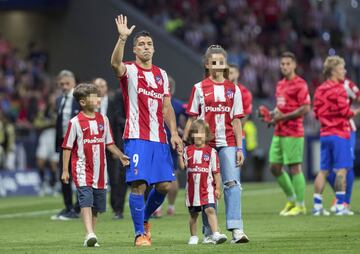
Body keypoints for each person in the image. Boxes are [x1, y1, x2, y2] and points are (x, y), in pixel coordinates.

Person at [110, 15, 182, 246]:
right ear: (134, 50)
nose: (146, 47)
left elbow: (166, 106)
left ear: (154, 48)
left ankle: (145, 219)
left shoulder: (161, 75)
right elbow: (114, 64)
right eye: (141, 44)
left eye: (149, 44)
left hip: (159, 138)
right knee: (139, 184)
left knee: (163, 185)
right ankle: (140, 233)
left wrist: (175, 133)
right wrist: (122, 39)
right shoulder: (130, 70)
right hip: (136, 136)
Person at [183, 45, 248, 244]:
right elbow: (193, 118)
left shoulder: (233, 89)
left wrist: (239, 147)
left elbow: (236, 121)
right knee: (205, 186)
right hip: (205, 144)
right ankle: (209, 232)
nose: (217, 66)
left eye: (221, 62)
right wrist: (185, 141)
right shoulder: (199, 88)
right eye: (214, 62)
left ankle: (237, 229)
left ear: (225, 65)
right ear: (207, 64)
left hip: (228, 142)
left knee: (232, 184)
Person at [61, 83, 130, 247]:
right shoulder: (75, 122)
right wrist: (65, 170)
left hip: (100, 171)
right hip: (82, 168)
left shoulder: (103, 119)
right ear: (83, 102)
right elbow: (67, 147)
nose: (98, 99)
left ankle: (91, 235)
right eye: (94, 96)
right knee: (86, 199)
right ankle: (89, 233)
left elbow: (109, 143)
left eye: (98, 96)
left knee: (97, 206)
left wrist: (120, 155)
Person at [261, 52, 310, 216]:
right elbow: (280, 108)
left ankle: (301, 205)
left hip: (294, 131)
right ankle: (291, 199)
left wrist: (284, 117)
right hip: (279, 130)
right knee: (274, 167)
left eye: (288, 63)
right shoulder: (280, 84)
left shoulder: (300, 84)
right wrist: (271, 116)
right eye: (282, 64)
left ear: (294, 65)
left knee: (295, 167)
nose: (285, 66)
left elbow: (305, 108)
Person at [313, 56, 360, 216]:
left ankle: (317, 206)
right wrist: (356, 111)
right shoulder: (340, 89)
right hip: (340, 134)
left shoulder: (319, 89)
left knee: (323, 170)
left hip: (325, 134)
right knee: (342, 170)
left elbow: (316, 113)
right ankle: (340, 205)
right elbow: (345, 112)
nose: (344, 71)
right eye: (342, 68)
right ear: (333, 71)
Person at [178, 119, 227, 245]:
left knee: (210, 210)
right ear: (192, 135)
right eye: (196, 133)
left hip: (208, 189)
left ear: (206, 135)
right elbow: (182, 167)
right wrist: (179, 155)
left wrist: (217, 188)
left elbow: (216, 172)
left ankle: (215, 233)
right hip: (192, 191)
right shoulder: (187, 150)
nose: (199, 136)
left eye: (201, 133)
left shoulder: (211, 152)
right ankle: (193, 236)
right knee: (194, 214)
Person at [153, 75, 187, 217]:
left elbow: (192, 116)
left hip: (163, 142)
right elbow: (193, 115)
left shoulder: (173, 104)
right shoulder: (178, 104)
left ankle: (159, 207)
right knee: (172, 176)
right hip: (164, 142)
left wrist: (182, 132)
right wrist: (183, 132)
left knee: (161, 177)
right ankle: (170, 206)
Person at [94, 77, 127, 219]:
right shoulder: (88, 105)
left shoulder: (113, 101)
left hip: (111, 144)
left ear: (106, 87)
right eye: (97, 86)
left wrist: (117, 147)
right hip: (93, 145)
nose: (100, 88)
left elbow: (117, 124)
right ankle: (89, 206)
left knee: (115, 177)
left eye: (102, 85)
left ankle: (116, 208)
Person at [327, 78, 360, 214]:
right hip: (329, 129)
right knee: (326, 170)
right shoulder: (326, 86)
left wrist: (354, 112)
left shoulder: (347, 84)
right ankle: (339, 196)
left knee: (347, 165)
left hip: (346, 129)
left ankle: (344, 201)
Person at [51, 70, 80, 220]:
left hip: (78, 144)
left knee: (79, 177)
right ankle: (68, 207)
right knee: (64, 176)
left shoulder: (81, 97)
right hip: (64, 143)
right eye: (61, 84)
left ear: (74, 82)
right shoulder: (59, 100)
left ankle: (77, 208)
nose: (64, 86)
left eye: (67, 83)